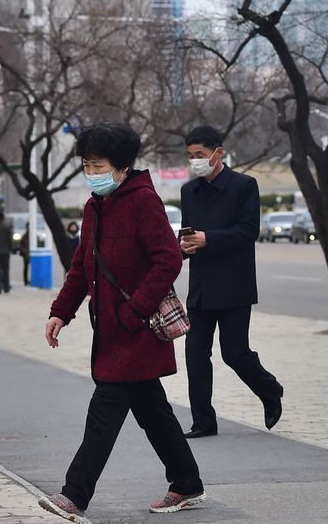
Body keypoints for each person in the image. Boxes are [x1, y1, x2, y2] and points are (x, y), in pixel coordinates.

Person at [41, 122, 205, 521]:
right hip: (111, 330)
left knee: (104, 412)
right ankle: (187, 482)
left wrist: (135, 312)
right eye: (86, 164)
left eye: (97, 164)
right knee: (154, 413)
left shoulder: (143, 201)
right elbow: (82, 265)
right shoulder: (95, 206)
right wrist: (61, 311)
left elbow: (168, 259)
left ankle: (74, 494)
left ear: (121, 166)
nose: (90, 172)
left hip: (137, 330)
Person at [179, 125, 283, 437]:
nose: (195, 161)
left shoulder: (244, 186)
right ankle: (203, 422)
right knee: (195, 355)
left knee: (234, 353)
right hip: (200, 286)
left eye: (200, 155)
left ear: (218, 153)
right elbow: (189, 234)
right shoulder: (189, 191)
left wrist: (208, 238)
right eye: (190, 156)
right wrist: (182, 247)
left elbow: (249, 230)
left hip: (234, 285)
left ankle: (269, 389)